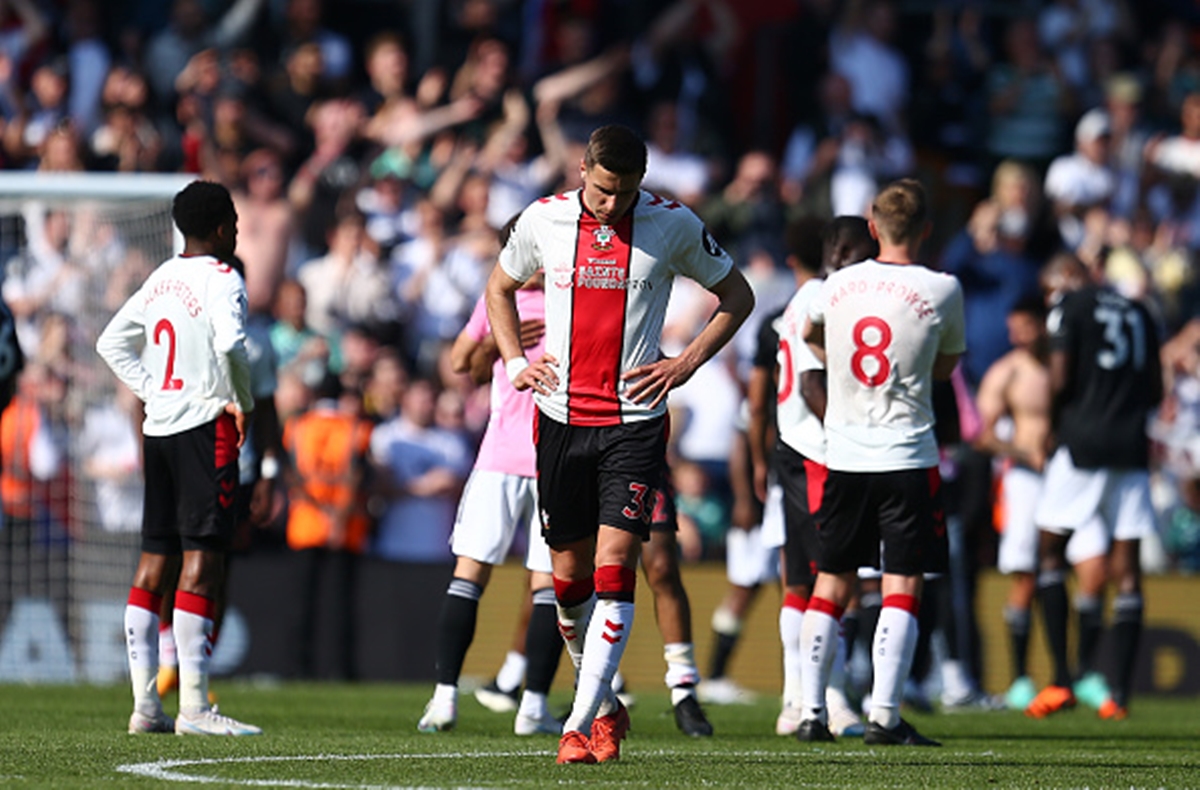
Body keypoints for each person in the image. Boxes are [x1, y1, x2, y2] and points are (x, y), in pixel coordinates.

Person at [485, 124, 754, 764]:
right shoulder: (543, 220)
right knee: (568, 580)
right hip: (558, 418)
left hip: (634, 421)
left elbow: (735, 296)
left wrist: (684, 363)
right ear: (583, 170)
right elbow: (498, 288)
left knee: (617, 566)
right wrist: (514, 359)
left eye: (625, 192)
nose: (612, 204)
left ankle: (578, 723)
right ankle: (604, 703)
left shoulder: (674, 224)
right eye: (604, 191)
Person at [797, 179, 964, 747]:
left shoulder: (835, 285)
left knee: (831, 581)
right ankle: (885, 716)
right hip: (908, 453)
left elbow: (810, 336)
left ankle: (811, 711)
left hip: (843, 452)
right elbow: (946, 369)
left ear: (871, 227)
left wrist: (841, 366)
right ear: (926, 230)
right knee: (902, 582)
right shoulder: (943, 288)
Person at [95, 180, 261, 736]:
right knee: (203, 560)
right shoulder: (222, 278)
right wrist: (241, 402)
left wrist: (154, 391)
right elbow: (230, 344)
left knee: (154, 560)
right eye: (234, 219)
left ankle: (146, 706)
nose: (238, 229)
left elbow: (111, 342)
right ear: (219, 228)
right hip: (204, 428)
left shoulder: (161, 277)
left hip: (159, 431)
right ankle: (194, 707)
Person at [417, 233, 565, 737]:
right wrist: (506, 342)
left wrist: (501, 343)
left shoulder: (515, 299)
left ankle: (470, 703)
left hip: (522, 459)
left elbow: (461, 363)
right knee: (524, 582)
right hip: (535, 459)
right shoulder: (520, 299)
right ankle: (512, 707)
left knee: (486, 578)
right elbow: (462, 364)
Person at [1025, 253, 1162, 721]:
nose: (1049, 301)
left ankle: (1062, 678)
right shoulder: (1142, 311)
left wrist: (1056, 421)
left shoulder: (1070, 305)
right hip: (1130, 447)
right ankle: (1119, 694)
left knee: (1048, 551)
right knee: (1128, 569)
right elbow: (1157, 390)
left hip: (1082, 443)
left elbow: (1061, 379)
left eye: (1048, 291)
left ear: (1064, 280)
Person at [974, 294, 1112, 712]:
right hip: (1026, 479)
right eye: (1012, 327)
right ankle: (1019, 679)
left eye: (1025, 326)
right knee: (1026, 577)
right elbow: (982, 435)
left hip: (1068, 473)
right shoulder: (1007, 373)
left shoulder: (1065, 364)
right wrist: (1021, 451)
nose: (1017, 334)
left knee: (1095, 569)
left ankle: (1080, 672)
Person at [772, 216, 876, 738]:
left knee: (801, 581)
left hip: (792, 442)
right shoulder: (830, 295)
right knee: (832, 578)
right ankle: (827, 698)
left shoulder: (805, 294)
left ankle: (797, 698)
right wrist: (849, 438)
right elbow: (814, 380)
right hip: (819, 448)